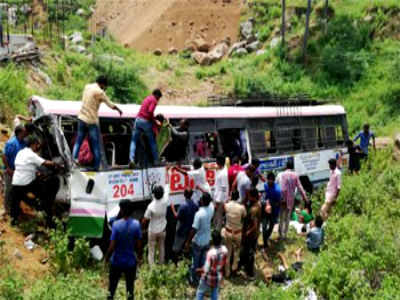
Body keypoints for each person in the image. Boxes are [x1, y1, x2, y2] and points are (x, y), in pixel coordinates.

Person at [73, 76, 122, 170]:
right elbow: (110, 104)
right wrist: (118, 109)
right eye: (105, 86)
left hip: (81, 118)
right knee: (96, 144)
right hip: (91, 121)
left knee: (78, 142)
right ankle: (96, 166)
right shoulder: (100, 92)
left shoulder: (87, 86)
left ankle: (74, 160)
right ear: (103, 84)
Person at [10, 136, 61, 226]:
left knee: (15, 201)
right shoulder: (31, 154)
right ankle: (46, 213)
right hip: (26, 184)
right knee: (50, 187)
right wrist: (56, 164)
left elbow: (24, 166)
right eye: (37, 145)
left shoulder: (20, 152)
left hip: (15, 182)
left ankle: (14, 220)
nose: (38, 147)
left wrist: (36, 173)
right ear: (33, 144)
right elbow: (45, 163)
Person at [105, 200, 142, 300]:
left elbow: (112, 246)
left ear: (121, 210)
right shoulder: (136, 224)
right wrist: (139, 258)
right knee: (130, 289)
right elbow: (139, 245)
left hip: (116, 261)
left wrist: (106, 258)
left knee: (111, 289)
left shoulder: (116, 225)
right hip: (130, 262)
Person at [185, 192, 214, 286]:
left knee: (195, 263)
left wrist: (188, 242)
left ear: (202, 201)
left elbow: (194, 229)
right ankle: (202, 279)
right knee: (203, 261)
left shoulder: (199, 214)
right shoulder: (211, 208)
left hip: (198, 242)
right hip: (207, 240)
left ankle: (194, 280)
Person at [129, 89, 163, 167]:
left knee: (133, 140)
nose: (158, 100)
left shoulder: (147, 98)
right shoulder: (154, 100)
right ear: (157, 95)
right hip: (145, 121)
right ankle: (156, 160)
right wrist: (155, 121)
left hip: (138, 120)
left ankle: (131, 160)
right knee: (152, 141)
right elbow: (150, 111)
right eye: (159, 98)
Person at [279, 161, 308, 239]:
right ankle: (284, 235)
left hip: (283, 199)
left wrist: (282, 198)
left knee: (281, 216)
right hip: (290, 199)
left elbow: (281, 188)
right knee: (288, 217)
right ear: (292, 167)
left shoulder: (282, 174)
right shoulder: (295, 175)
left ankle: (280, 234)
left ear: (286, 166)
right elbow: (300, 187)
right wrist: (305, 197)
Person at [195, 230, 228, 300]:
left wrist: (199, 270)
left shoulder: (211, 253)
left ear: (212, 241)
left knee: (200, 291)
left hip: (209, 277)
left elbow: (206, 269)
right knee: (214, 292)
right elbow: (224, 264)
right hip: (218, 276)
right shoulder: (225, 250)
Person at [2, 125, 27, 214]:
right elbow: (4, 156)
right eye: (24, 131)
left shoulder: (24, 143)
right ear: (20, 133)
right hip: (10, 170)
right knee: (8, 190)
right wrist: (8, 168)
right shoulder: (11, 143)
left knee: (16, 191)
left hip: (18, 171)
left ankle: (14, 207)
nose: (26, 132)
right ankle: (6, 209)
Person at [221, 190, 246, 278]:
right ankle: (234, 270)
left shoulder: (226, 206)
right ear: (238, 197)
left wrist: (228, 200)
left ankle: (227, 272)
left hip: (228, 232)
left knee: (228, 252)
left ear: (231, 196)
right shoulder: (241, 208)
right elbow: (244, 216)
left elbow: (224, 207)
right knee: (236, 253)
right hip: (238, 233)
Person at [143, 185, 169, 266]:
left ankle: (152, 268)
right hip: (163, 229)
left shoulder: (151, 206)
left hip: (152, 230)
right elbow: (167, 189)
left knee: (151, 250)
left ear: (154, 194)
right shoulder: (165, 200)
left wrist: (142, 228)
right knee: (161, 248)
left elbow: (145, 219)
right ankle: (161, 265)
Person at [239, 188, 261, 279]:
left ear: (253, 197)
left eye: (249, 196)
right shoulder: (257, 204)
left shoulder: (253, 209)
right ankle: (244, 266)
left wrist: (247, 232)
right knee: (247, 251)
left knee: (249, 252)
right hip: (254, 234)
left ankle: (250, 272)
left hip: (251, 235)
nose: (247, 197)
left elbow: (254, 225)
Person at [171, 188, 198, 262]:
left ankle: (176, 262)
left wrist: (173, 208)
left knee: (176, 248)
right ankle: (186, 260)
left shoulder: (182, 206)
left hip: (181, 229)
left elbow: (177, 216)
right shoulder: (195, 205)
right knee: (187, 245)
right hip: (189, 229)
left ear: (184, 194)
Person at [262, 172, 281, 250]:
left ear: (273, 180)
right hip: (266, 209)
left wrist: (271, 205)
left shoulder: (277, 190)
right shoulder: (266, 185)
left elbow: (279, 202)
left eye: (271, 181)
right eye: (268, 180)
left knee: (271, 225)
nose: (269, 182)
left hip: (274, 210)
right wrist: (266, 202)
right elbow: (265, 194)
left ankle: (266, 236)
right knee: (264, 226)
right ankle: (265, 243)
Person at [213, 155, 229, 231]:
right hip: (217, 197)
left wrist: (218, 202)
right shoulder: (220, 170)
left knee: (219, 218)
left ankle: (217, 233)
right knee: (216, 217)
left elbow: (224, 189)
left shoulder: (223, 174)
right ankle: (216, 232)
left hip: (220, 200)